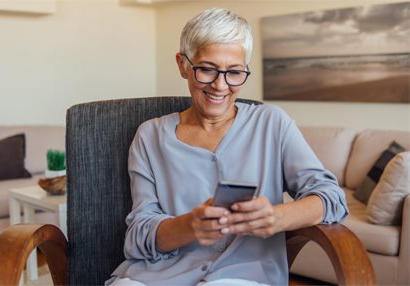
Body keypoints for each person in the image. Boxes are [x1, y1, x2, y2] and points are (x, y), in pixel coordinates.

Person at [107, 7, 348, 286]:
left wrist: (277, 217)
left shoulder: (272, 123)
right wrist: (189, 225)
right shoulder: (150, 136)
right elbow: (137, 238)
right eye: (207, 69)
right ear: (183, 64)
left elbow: (332, 198)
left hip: (242, 277)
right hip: (156, 277)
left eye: (234, 72)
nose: (221, 86)